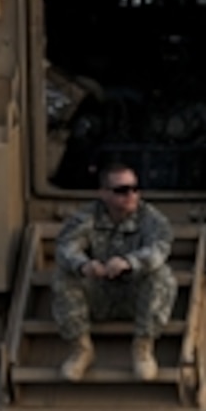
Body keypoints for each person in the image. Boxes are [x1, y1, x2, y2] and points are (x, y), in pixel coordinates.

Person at [51, 161, 178, 382]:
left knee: (162, 275)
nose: (130, 195)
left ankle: (143, 349)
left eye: (134, 189)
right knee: (64, 276)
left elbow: (160, 248)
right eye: (121, 190)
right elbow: (66, 246)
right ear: (103, 193)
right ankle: (81, 350)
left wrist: (129, 263)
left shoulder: (151, 219)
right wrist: (84, 265)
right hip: (99, 294)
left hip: (135, 296)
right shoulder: (88, 216)